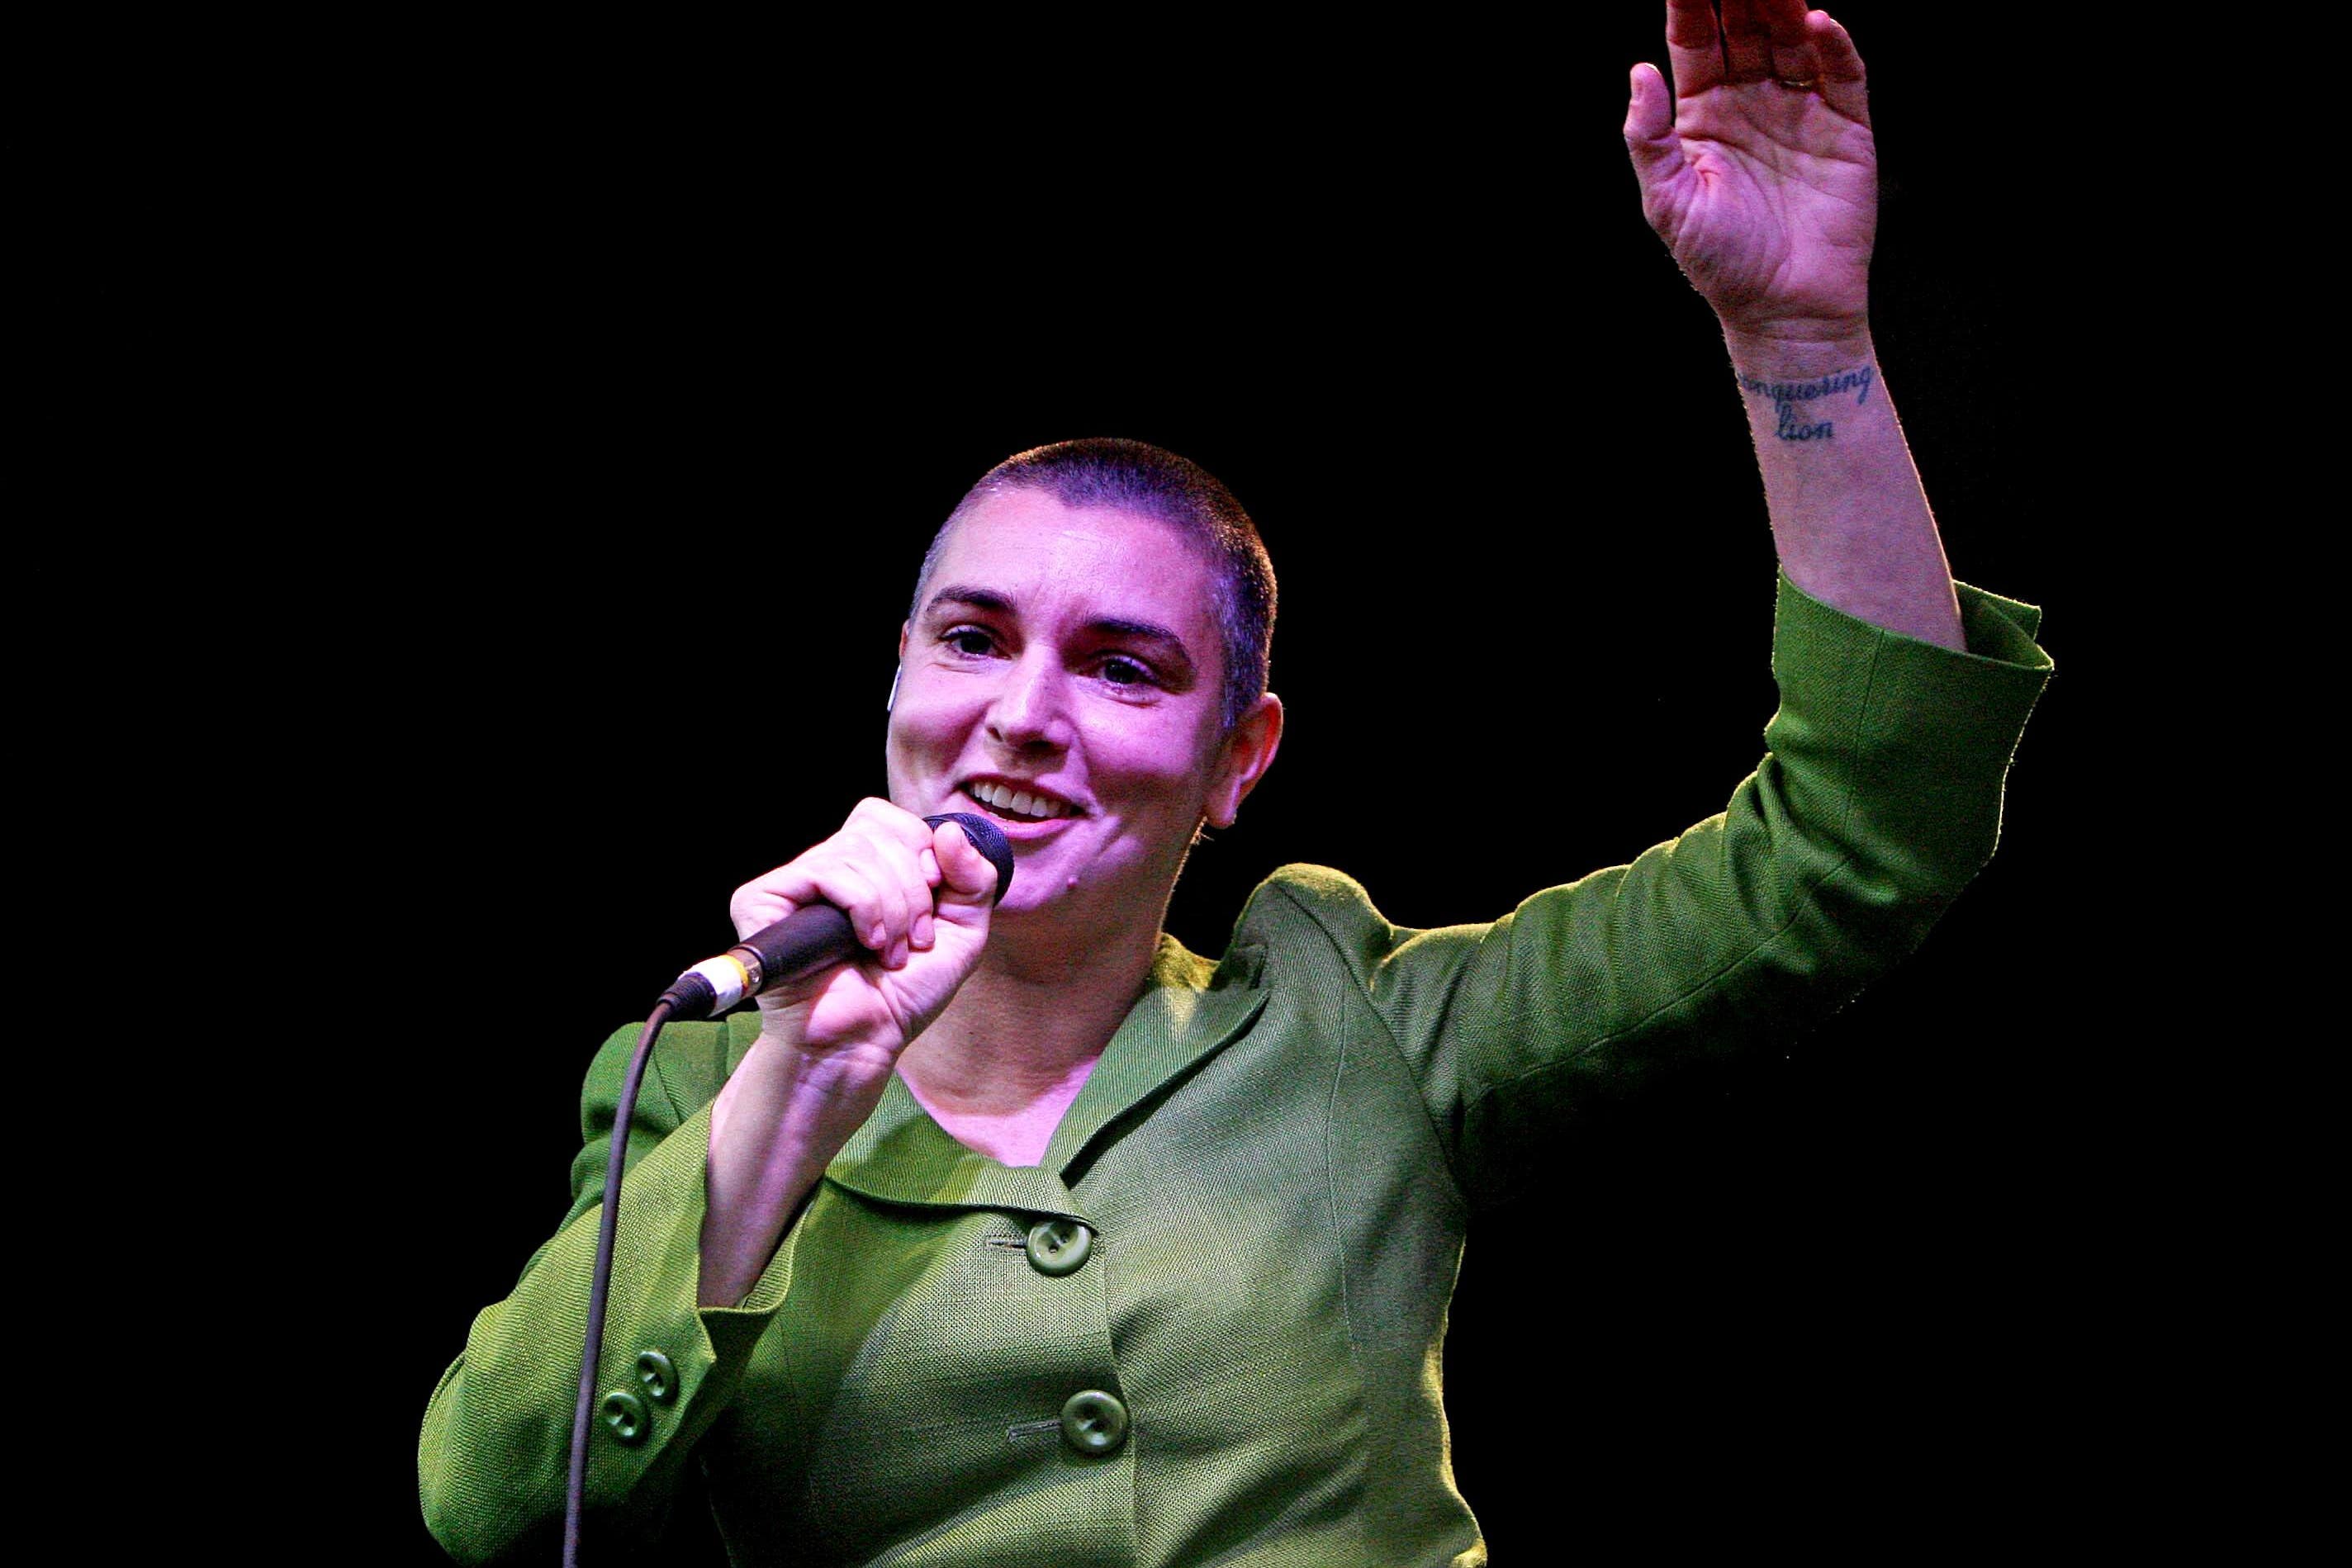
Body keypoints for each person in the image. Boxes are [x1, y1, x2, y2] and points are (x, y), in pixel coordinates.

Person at [420, 4, 2052, 1562]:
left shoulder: (1354, 1024)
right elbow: (492, 1506)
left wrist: (1796, 332)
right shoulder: (700, 1084)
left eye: (1122, 667)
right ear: (898, 678)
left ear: (1236, 761)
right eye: (973, 639)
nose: (1023, 716)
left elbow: (1861, 832)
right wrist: (791, 1094)